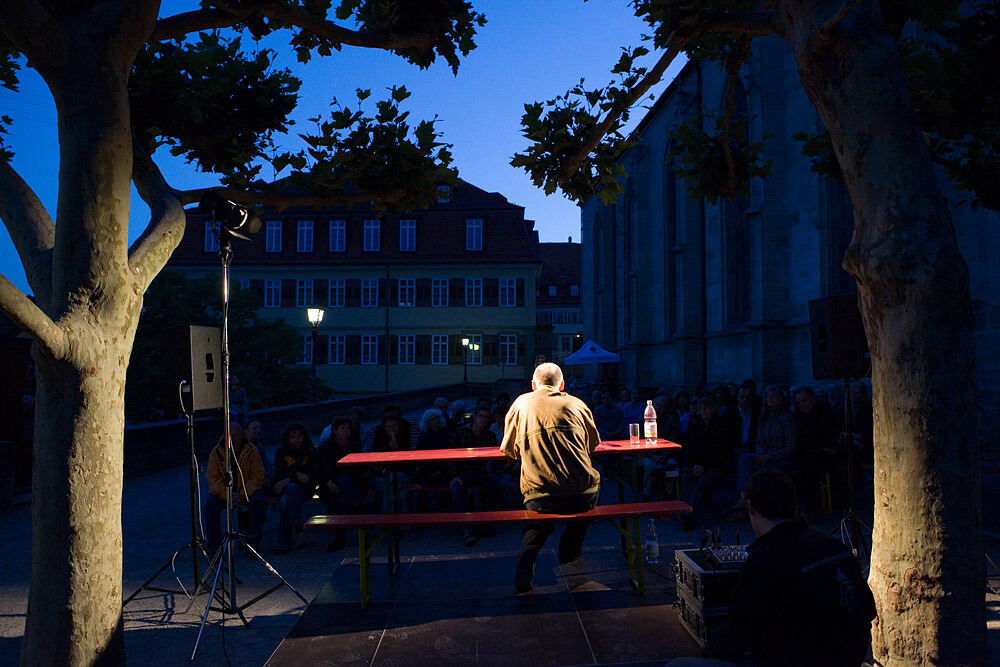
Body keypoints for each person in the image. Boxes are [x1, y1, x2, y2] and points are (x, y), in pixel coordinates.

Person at [667, 469, 876, 667]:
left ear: (750, 507)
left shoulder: (764, 560)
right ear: (793, 504)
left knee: (677, 665)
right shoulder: (833, 544)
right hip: (847, 659)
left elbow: (735, 637)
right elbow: (868, 609)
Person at [500, 362, 601, 593]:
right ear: (562, 384)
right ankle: (569, 555)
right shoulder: (578, 404)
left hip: (541, 495)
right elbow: (592, 446)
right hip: (582, 494)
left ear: (533, 385)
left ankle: (525, 574)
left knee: (535, 527)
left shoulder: (521, 404)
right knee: (587, 500)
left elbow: (509, 451)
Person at [728, 386, 797, 521]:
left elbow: (790, 446)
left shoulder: (787, 418)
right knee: (745, 459)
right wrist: (761, 454)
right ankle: (744, 498)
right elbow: (759, 441)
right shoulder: (764, 418)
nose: (769, 399)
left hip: (781, 457)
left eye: (773, 396)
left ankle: (751, 506)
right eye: (768, 396)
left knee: (756, 469)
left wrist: (769, 456)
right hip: (765, 455)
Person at [203, 423, 267, 552]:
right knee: (210, 504)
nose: (232, 439)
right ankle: (214, 547)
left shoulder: (252, 451)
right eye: (229, 436)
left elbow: (257, 476)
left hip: (247, 491)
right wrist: (228, 495)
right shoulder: (216, 452)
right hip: (224, 493)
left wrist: (243, 494)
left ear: (241, 436)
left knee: (260, 501)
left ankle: (253, 544)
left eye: (235, 436)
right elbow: (213, 478)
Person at [452, 406, 506, 545]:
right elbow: (450, 457)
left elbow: (496, 458)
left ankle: (488, 521)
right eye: (481, 416)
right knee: (457, 491)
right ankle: (466, 529)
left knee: (500, 485)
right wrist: (454, 475)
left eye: (486, 417)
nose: (483, 420)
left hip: (482, 473)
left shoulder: (490, 436)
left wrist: (495, 473)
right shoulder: (460, 433)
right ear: (475, 416)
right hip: (463, 474)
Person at [318, 417, 365, 551]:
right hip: (333, 482)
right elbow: (324, 467)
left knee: (342, 499)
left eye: (347, 428)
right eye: (343, 428)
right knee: (343, 485)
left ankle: (340, 538)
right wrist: (329, 482)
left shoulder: (354, 443)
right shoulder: (327, 446)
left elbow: (358, 465)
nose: (346, 431)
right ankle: (358, 504)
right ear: (335, 431)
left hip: (352, 482)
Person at [271, 422, 318, 554]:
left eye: (299, 436)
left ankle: (284, 540)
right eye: (293, 437)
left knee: (287, 499)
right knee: (290, 491)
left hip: (304, 489)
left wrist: (289, 478)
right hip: (290, 488)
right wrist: (296, 475)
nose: (296, 439)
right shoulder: (282, 452)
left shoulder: (309, 451)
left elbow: (310, 476)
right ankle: (298, 529)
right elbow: (279, 473)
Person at [245, 419, 272, 488]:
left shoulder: (260, 447)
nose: (258, 431)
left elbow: (266, 465)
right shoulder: (241, 448)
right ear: (246, 431)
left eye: (259, 428)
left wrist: (267, 477)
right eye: (255, 428)